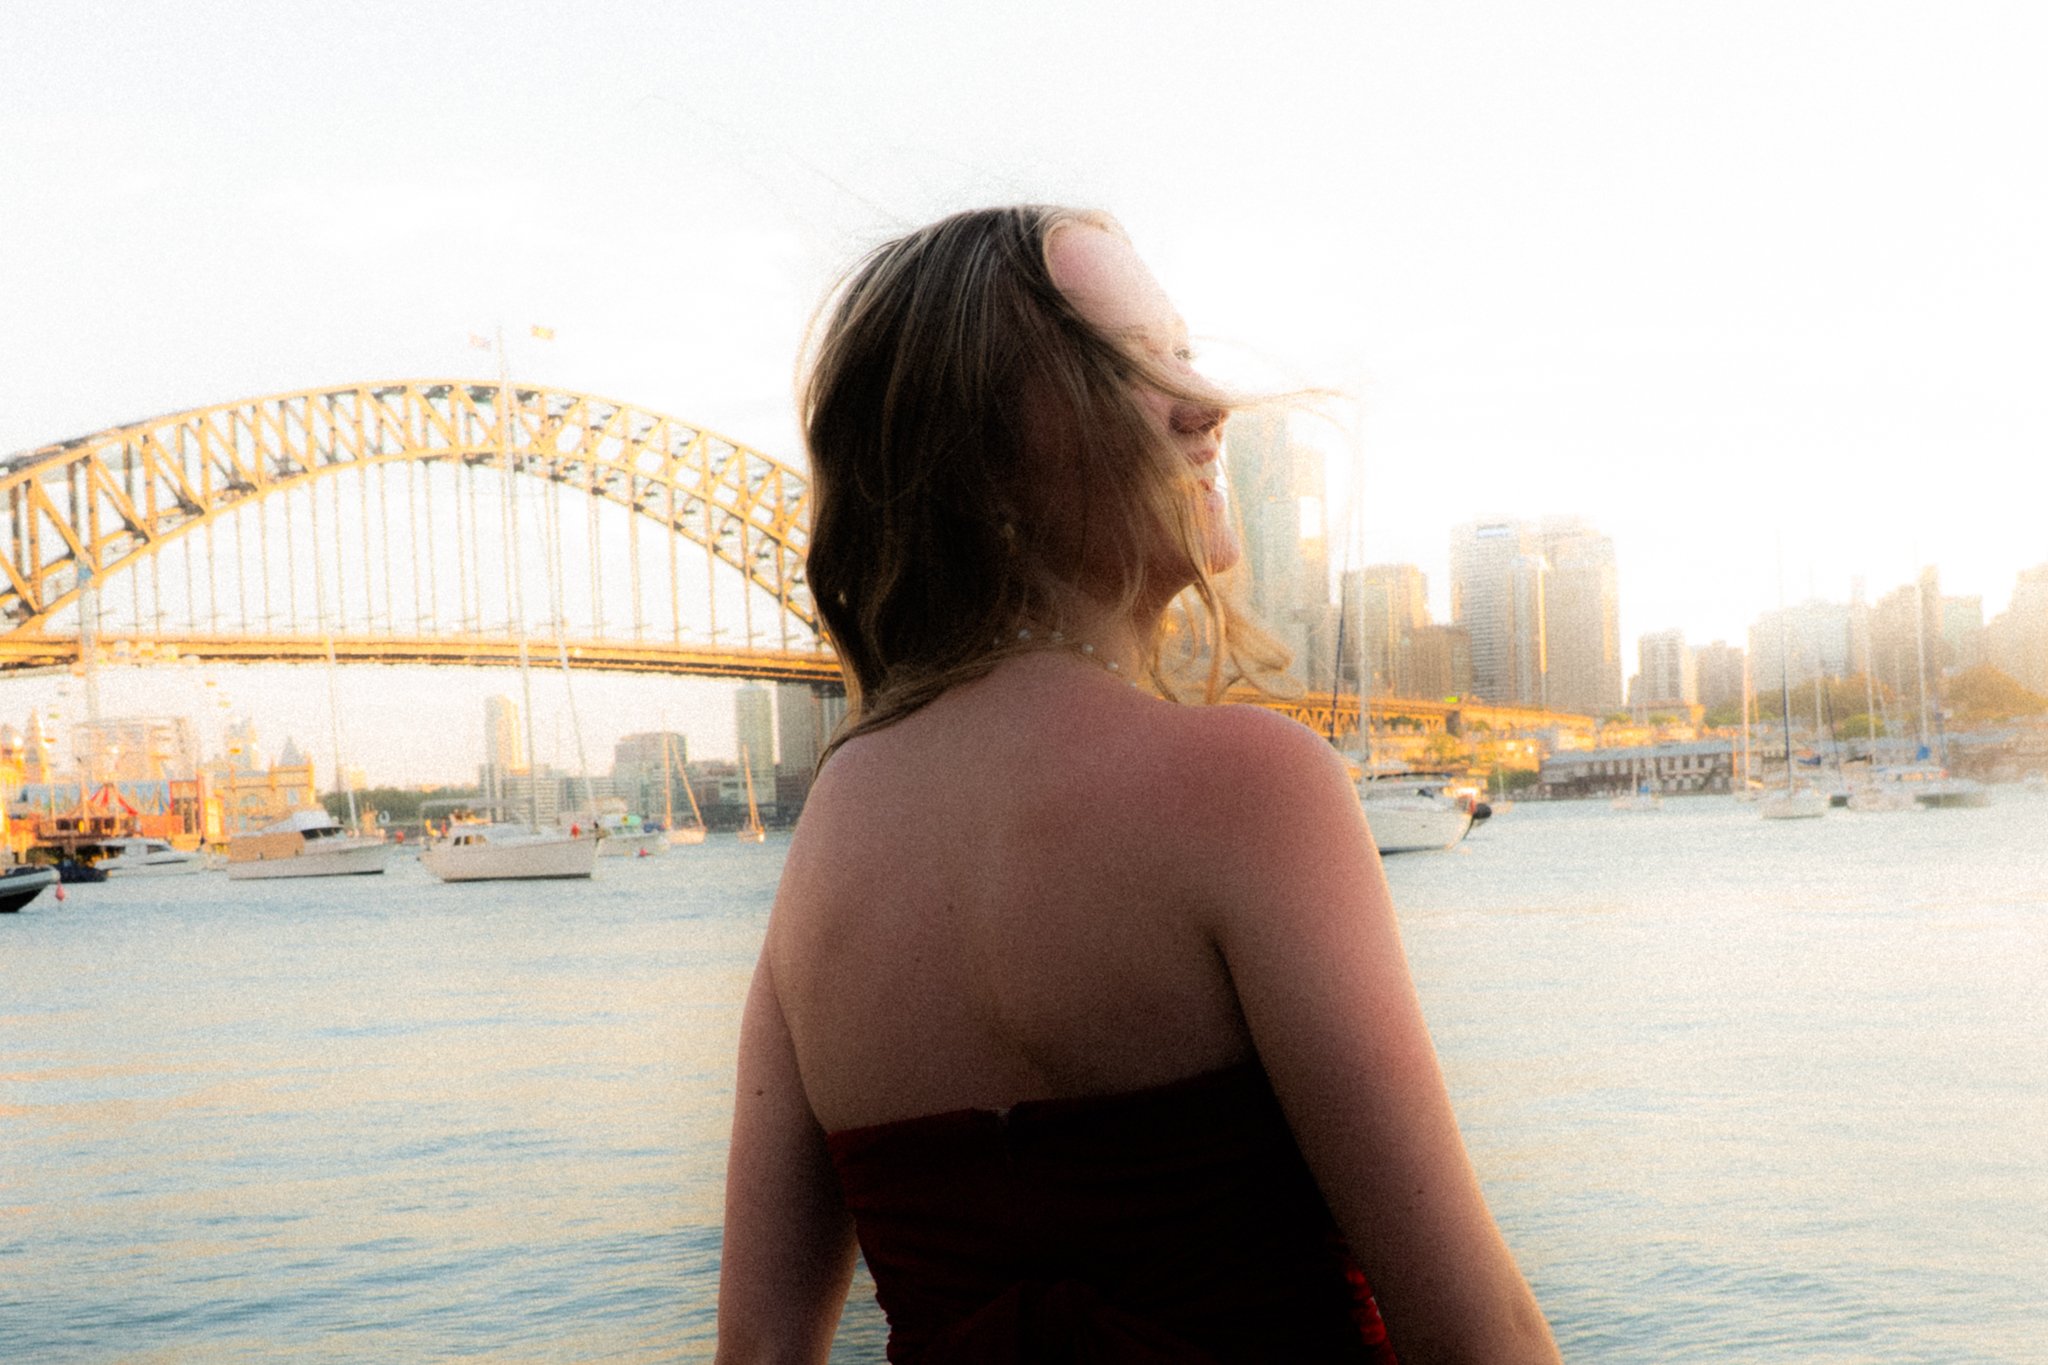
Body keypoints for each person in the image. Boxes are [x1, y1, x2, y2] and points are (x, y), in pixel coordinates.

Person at [718, 206, 1560, 1364]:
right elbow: (1474, 1334)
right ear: (987, 460)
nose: (1206, 405)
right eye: (1131, 365)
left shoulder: (831, 834)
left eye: (1181, 350)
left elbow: (758, 1357)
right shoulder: (1252, 784)